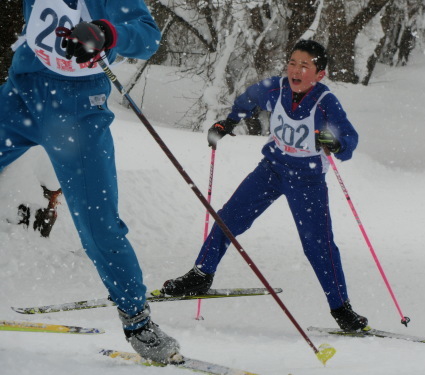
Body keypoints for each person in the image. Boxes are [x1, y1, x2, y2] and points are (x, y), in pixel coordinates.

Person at [0, 0, 180, 363]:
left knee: (99, 225)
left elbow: (147, 37)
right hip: (21, 94)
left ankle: (136, 319)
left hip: (77, 111)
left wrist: (106, 33)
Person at [162, 40, 368, 331]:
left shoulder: (325, 102)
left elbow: (349, 141)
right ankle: (200, 274)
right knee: (227, 218)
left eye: (304, 65)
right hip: (271, 169)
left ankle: (341, 309)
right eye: (292, 62)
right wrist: (229, 122)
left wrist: (335, 143)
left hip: (307, 179)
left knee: (317, 245)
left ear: (319, 74)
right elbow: (250, 98)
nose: (295, 70)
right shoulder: (277, 88)